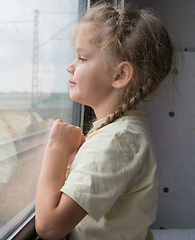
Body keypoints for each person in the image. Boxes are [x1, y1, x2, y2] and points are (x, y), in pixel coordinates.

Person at [35, 3, 174, 240]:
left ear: (119, 75)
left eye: (81, 58)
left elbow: (49, 227)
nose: (70, 67)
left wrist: (56, 148)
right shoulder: (125, 128)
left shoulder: (116, 141)